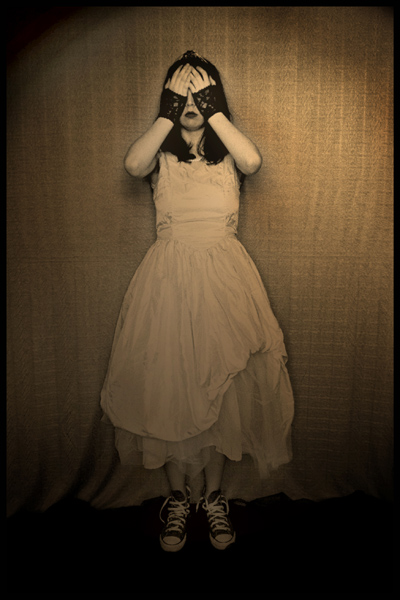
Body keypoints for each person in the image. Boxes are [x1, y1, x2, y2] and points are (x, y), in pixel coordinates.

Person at [100, 50, 294, 552]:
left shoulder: (229, 153)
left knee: (223, 388)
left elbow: (253, 162)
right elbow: (132, 165)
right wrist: (170, 112)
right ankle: (178, 500)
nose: (190, 101)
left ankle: (213, 498)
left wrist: (214, 110)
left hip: (225, 280)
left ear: (214, 99)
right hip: (168, 283)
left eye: (199, 92)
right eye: (180, 93)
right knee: (169, 382)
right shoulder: (159, 157)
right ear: (167, 100)